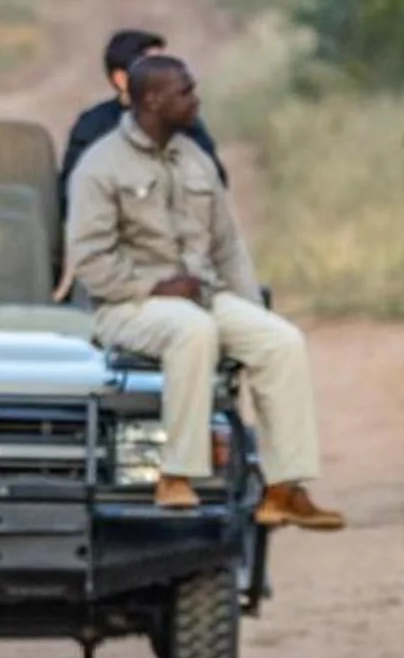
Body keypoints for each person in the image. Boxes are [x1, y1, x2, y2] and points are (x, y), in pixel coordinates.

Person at [64, 53, 341, 529]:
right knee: (192, 331)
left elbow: (228, 246)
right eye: (185, 91)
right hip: (128, 307)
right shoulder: (101, 165)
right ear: (152, 99)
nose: (196, 99)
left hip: (202, 298)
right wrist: (154, 286)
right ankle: (177, 475)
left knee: (281, 341)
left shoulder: (194, 158)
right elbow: (89, 260)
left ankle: (283, 489)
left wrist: (252, 310)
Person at [59, 27, 222, 212]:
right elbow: (72, 198)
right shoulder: (92, 128)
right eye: (152, 67)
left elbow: (216, 182)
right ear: (121, 79)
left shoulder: (184, 122)